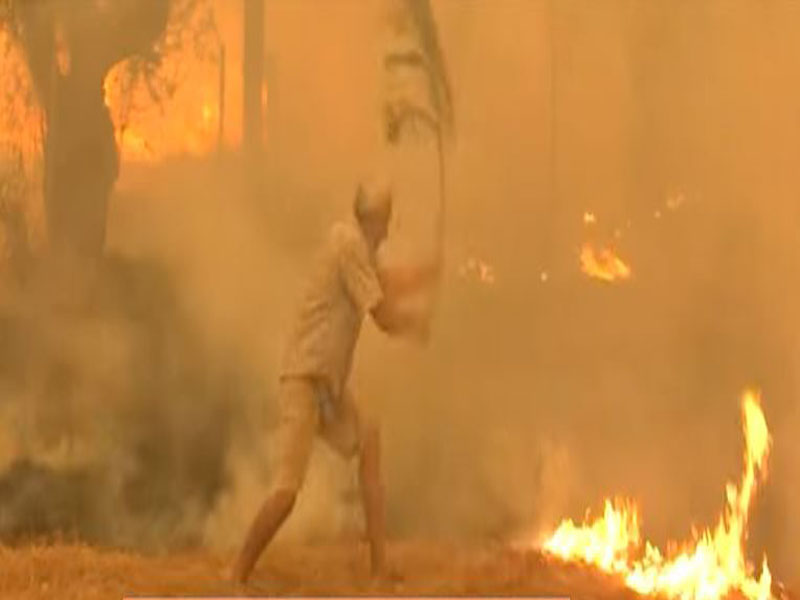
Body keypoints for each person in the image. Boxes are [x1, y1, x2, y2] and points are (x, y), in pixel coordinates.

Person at [230, 176, 440, 584]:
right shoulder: (349, 245)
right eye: (386, 220)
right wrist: (414, 325)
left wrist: (429, 274)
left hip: (327, 388)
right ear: (375, 218)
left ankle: (379, 571)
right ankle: (235, 573)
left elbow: (387, 282)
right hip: (304, 383)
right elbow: (381, 313)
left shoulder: (355, 248)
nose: (387, 230)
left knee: (370, 440)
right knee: (288, 490)